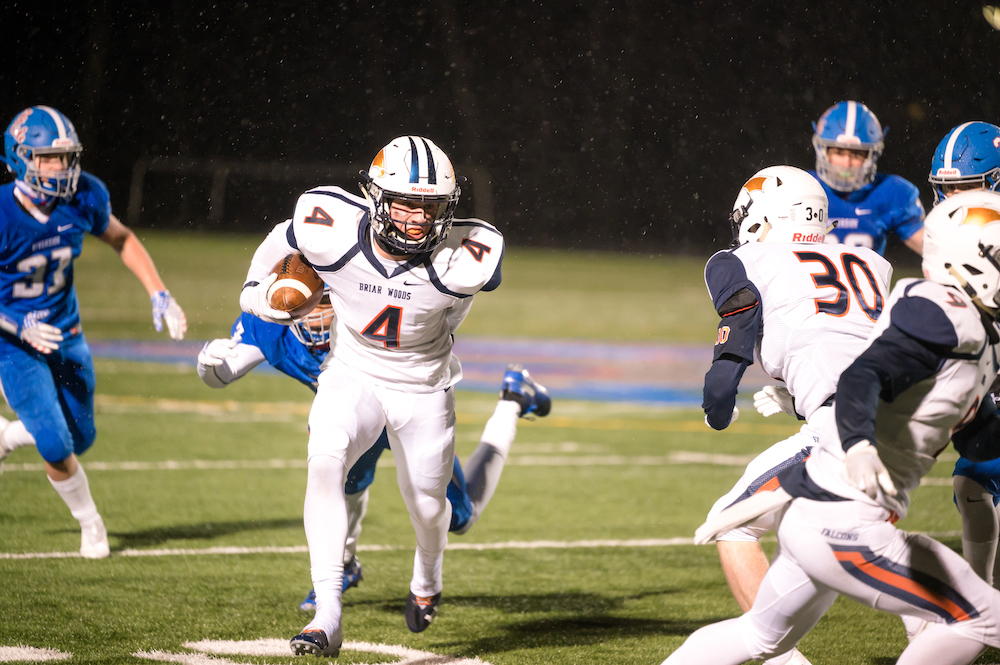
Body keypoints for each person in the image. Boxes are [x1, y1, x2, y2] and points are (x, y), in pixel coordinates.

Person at [666, 190, 1000, 665]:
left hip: (824, 504)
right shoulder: (942, 308)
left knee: (761, 637)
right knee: (978, 618)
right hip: (845, 520)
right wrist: (857, 444)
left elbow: (977, 432)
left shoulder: (979, 331)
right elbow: (862, 375)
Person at [238, 136, 505, 657]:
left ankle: (427, 577)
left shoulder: (467, 256)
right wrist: (253, 292)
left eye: (430, 207)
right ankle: (328, 614)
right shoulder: (332, 224)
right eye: (406, 203)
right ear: (376, 199)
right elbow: (282, 237)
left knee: (429, 508)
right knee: (324, 460)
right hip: (353, 369)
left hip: (423, 387)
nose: (417, 219)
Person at [195, 294, 550, 610]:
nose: (317, 317)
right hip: (352, 415)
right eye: (307, 305)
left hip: (408, 413)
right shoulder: (272, 325)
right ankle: (343, 564)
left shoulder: (371, 308)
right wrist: (207, 360)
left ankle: (513, 401)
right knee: (335, 476)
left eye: (325, 302)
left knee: (458, 518)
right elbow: (221, 373)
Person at [700, 165, 891, 665]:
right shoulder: (871, 262)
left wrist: (718, 406)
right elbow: (844, 341)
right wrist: (795, 394)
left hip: (841, 434)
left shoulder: (744, 259)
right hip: (906, 434)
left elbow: (735, 342)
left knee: (729, 522)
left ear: (761, 217)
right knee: (848, 546)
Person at [0, 105, 186, 558]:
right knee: (55, 442)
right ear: (18, 158)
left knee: (81, 439)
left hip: (67, 332)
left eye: (64, 157)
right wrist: (14, 323)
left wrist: (158, 292)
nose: (59, 167)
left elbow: (122, 238)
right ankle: (92, 525)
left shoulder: (85, 195)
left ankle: (8, 436)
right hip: (13, 343)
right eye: (46, 157)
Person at [926, 121, 1000, 590]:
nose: (955, 201)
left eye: (967, 188)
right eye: (946, 190)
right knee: (970, 485)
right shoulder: (958, 240)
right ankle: (983, 603)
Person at [810, 100, 925, 254]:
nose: (846, 163)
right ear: (823, 151)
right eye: (838, 152)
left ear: (872, 156)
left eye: (856, 154)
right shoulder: (800, 188)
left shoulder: (891, 191)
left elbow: (935, 253)